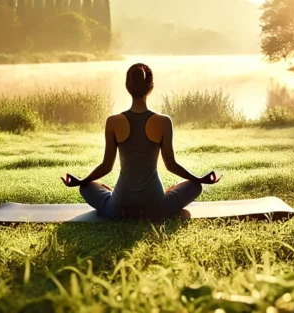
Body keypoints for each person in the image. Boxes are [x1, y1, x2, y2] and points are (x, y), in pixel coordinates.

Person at [61, 63, 221, 219]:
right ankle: (163, 196)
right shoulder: (164, 122)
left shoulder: (113, 121)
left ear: (127, 86)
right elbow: (171, 165)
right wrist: (198, 179)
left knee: (86, 187)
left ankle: (113, 196)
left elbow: (106, 166)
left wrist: (82, 181)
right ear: (150, 88)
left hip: (119, 207)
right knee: (195, 186)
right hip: (156, 207)